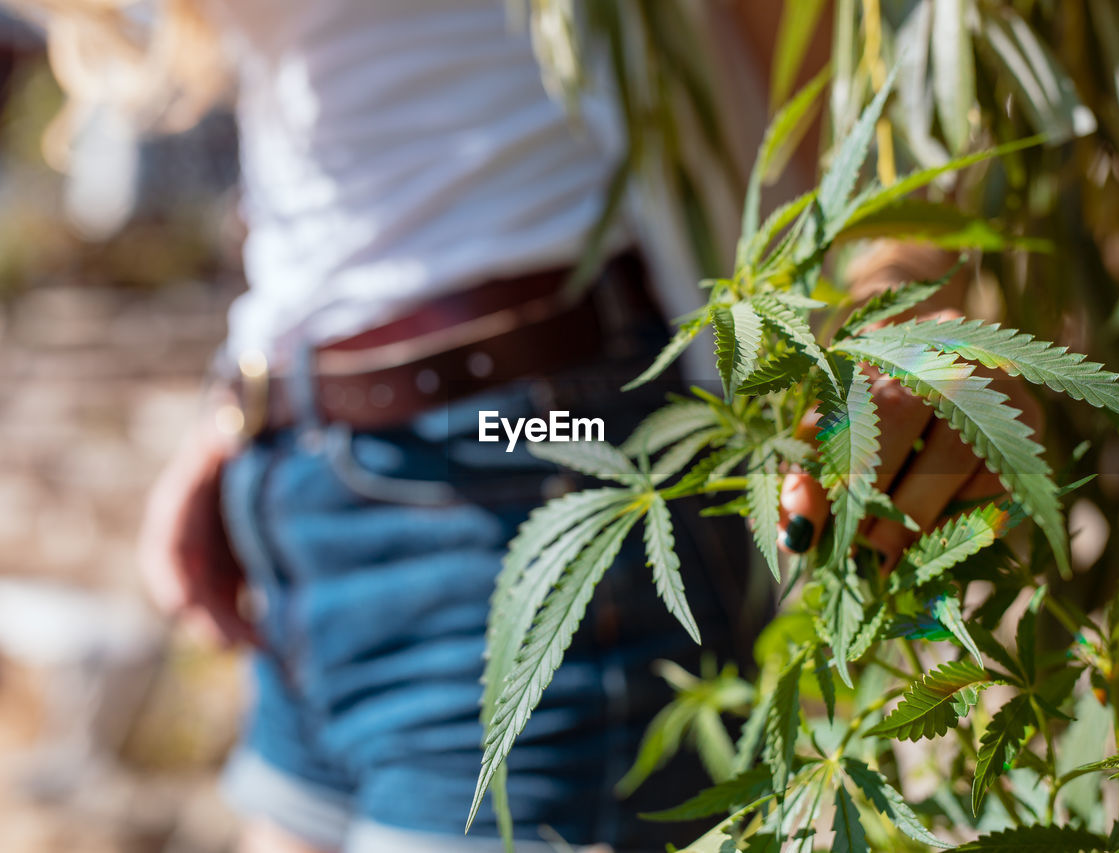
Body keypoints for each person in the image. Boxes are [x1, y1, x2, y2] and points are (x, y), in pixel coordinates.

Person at [15, 1, 1032, 850]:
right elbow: (355, 142)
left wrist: (899, 309)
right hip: (308, 497)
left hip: (535, 460)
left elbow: (852, 71)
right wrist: (243, 405)